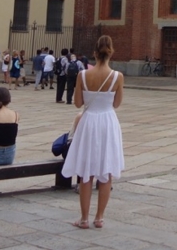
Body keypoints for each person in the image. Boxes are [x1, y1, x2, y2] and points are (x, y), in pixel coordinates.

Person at [62, 35, 124, 229]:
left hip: (89, 123)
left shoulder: (82, 75)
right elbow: (117, 104)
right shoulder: (117, 76)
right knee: (106, 172)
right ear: (111, 52)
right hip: (107, 121)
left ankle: (83, 218)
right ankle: (99, 217)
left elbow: (78, 103)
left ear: (94, 53)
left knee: (86, 173)